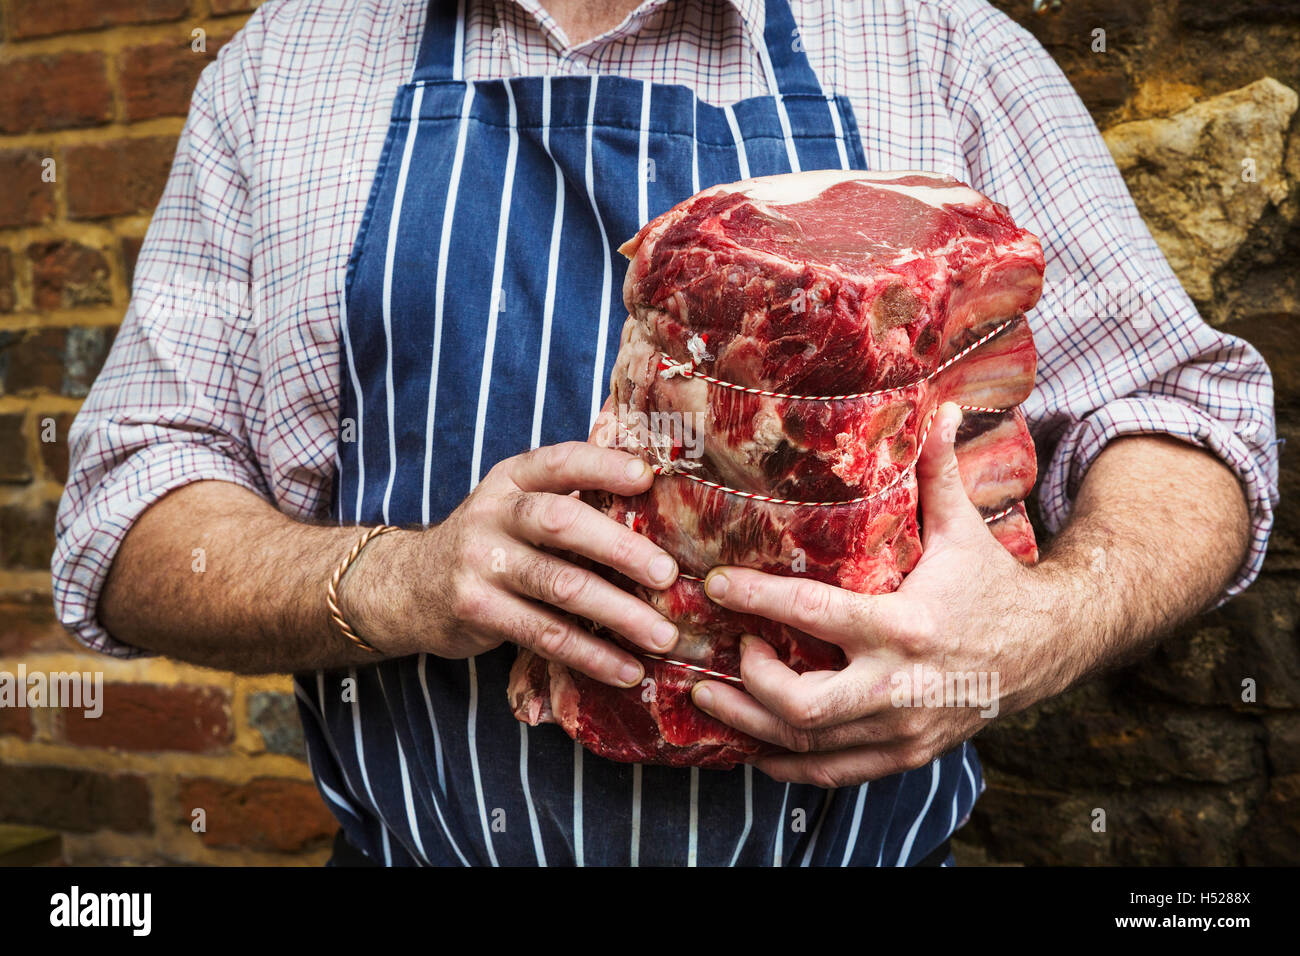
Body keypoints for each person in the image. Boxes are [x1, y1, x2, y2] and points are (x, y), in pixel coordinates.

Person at [54, 0, 1277, 866]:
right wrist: (403, 579)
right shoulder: (287, 65)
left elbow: (1185, 416)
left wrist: (1038, 628)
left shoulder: (940, 39)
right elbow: (130, 504)